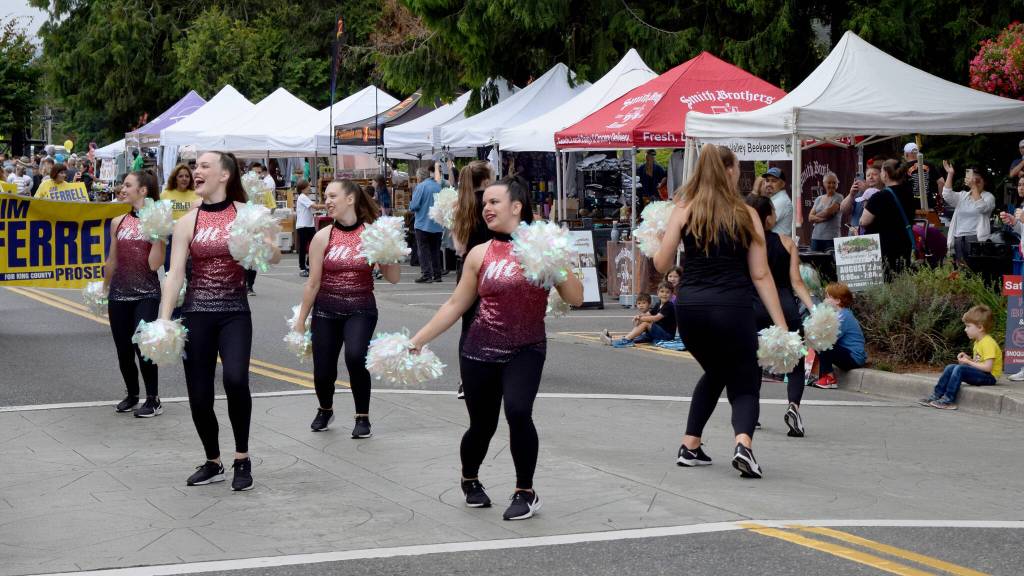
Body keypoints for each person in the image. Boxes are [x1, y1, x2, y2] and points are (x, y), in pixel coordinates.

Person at [409, 176, 584, 521]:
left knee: (519, 412)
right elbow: (455, 305)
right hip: (479, 350)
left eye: (494, 202)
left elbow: (576, 298)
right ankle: (470, 478)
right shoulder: (479, 253)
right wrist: (417, 340)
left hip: (527, 348)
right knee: (482, 425)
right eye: (484, 203)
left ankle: (525, 491)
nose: (486, 208)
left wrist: (556, 263)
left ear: (516, 207)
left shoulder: (544, 245)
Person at [654, 144, 790, 479]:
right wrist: (782, 324)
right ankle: (743, 444)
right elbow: (760, 274)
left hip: (690, 308)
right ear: (729, 171)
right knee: (744, 380)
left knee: (716, 371)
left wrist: (661, 238)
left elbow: (661, 263)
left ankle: (690, 445)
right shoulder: (747, 214)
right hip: (732, 306)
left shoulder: (684, 209)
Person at [158, 151, 281, 491]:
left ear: (224, 175)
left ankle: (242, 458)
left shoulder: (247, 213)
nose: (196, 171)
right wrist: (163, 320)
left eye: (203, 166)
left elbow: (273, 254)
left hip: (234, 313)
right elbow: (174, 275)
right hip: (196, 313)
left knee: (236, 380)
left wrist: (261, 243)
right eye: (195, 166)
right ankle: (213, 461)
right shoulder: (186, 221)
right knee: (199, 396)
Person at [293, 180, 401, 435]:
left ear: (350, 199)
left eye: (332, 196)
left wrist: (389, 249)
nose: (327, 201)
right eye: (325, 196)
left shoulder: (372, 233)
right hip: (326, 310)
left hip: (361, 308)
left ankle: (362, 417)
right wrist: (301, 319)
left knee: (355, 357)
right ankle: (325, 409)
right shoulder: (322, 236)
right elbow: (313, 283)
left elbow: (394, 277)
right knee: (323, 369)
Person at [745, 194, 817, 437]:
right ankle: (793, 406)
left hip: (754, 306)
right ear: (767, 218)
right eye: (774, 212)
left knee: (754, 360)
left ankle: (751, 413)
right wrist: (814, 309)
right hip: (785, 308)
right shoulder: (786, 242)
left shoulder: (744, 244)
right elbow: (797, 282)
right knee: (795, 361)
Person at [103, 170, 166, 417]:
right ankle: (132, 394)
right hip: (118, 294)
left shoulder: (156, 223)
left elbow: (154, 264)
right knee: (123, 350)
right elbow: (112, 259)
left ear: (143, 190)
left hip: (146, 293)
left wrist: (158, 236)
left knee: (144, 347)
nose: (122, 188)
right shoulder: (118, 222)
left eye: (128, 185)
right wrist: (104, 287)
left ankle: (153, 399)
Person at [451, 160, 495, 399]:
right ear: (486, 181)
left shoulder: (461, 205)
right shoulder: (493, 206)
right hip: (493, 267)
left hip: (467, 269)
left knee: (469, 325)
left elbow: (458, 247)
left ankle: (465, 381)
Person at [919, 305, 1001, 410]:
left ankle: (948, 400)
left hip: (990, 377)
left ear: (980, 327)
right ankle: (936, 395)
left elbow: (988, 368)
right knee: (950, 367)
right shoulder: (978, 342)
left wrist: (968, 362)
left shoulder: (988, 343)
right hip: (982, 373)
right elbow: (980, 361)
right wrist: (969, 359)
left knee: (959, 369)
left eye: (968, 326)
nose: (965, 330)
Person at [860, 159, 914, 274]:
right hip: (904, 244)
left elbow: (864, 221)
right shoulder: (909, 194)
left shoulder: (879, 197)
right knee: (902, 276)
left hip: (883, 247)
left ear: (885, 174)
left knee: (887, 279)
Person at [812, 283, 867, 389]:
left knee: (823, 344)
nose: (825, 299)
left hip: (854, 357)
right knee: (820, 344)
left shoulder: (843, 316)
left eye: (828, 297)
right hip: (847, 354)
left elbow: (831, 338)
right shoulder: (839, 315)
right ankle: (824, 377)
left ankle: (829, 378)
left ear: (837, 300)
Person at [940, 162, 996, 266]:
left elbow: (982, 208)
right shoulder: (963, 196)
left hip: (976, 239)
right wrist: (950, 174)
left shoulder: (988, 197)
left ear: (985, 181)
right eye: (972, 180)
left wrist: (974, 188)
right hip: (958, 238)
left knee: (974, 270)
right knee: (960, 272)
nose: (975, 183)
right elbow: (946, 195)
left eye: (978, 180)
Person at [602, 284, 676, 347]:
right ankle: (612, 339)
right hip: (657, 332)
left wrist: (642, 319)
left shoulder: (669, 306)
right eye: (662, 291)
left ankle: (625, 341)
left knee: (646, 322)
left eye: (667, 292)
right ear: (658, 293)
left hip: (667, 335)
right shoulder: (658, 304)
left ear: (672, 294)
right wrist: (638, 317)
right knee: (636, 337)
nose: (664, 294)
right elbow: (647, 314)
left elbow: (656, 318)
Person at [160, 164, 199, 272]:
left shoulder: (196, 194)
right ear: (175, 178)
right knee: (170, 266)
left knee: (188, 267)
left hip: (190, 236)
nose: (184, 179)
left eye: (187, 176)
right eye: (180, 176)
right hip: (171, 236)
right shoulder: (165, 194)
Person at [409, 166, 444, 283]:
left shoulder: (421, 187)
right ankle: (437, 274)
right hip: (437, 224)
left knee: (423, 250)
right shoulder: (438, 186)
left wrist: (411, 205)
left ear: (419, 177)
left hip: (422, 224)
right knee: (435, 250)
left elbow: (414, 206)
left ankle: (427, 274)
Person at [841, 165, 883, 234]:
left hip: (875, 236)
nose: (871, 177)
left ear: (882, 176)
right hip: (855, 235)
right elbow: (844, 210)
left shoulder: (885, 192)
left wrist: (867, 191)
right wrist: (851, 194)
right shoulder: (859, 192)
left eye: (875, 174)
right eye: (868, 175)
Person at [294, 180, 322, 277]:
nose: (310, 188)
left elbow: (313, 209)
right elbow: (316, 207)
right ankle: (302, 267)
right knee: (303, 247)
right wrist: (328, 205)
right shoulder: (302, 197)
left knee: (315, 245)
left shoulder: (305, 197)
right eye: (308, 186)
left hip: (309, 225)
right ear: (303, 189)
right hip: (303, 226)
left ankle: (308, 264)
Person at [808, 172, 843, 251]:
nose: (831, 185)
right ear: (824, 184)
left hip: (831, 238)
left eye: (834, 183)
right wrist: (823, 218)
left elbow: (828, 212)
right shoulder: (818, 199)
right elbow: (810, 218)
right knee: (815, 262)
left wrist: (815, 217)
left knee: (830, 263)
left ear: (837, 184)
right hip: (816, 237)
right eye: (829, 183)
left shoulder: (839, 197)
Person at [903, 142, 942, 213]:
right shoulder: (930, 165)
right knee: (932, 223)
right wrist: (940, 199)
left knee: (917, 224)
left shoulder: (903, 168)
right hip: (931, 205)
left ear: (906, 154)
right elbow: (941, 182)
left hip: (912, 208)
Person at [762, 167, 793, 237]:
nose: (769, 184)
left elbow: (766, 224)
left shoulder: (781, 200)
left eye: (773, 181)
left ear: (782, 184)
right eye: (767, 180)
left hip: (778, 245)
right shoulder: (773, 199)